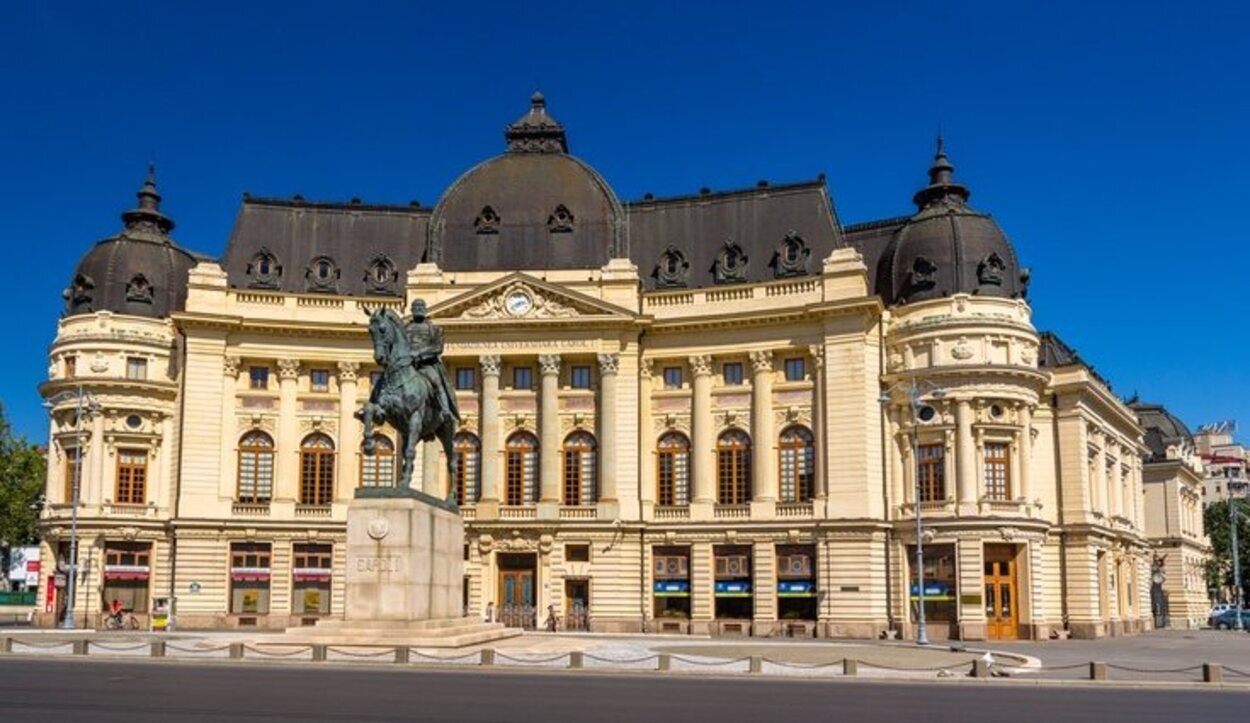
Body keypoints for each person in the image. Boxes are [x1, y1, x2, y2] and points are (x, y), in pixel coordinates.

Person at [403, 299, 459, 430]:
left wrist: (420, 354)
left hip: (426, 364)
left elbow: (437, 348)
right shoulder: (405, 328)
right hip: (407, 364)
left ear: (425, 310)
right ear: (411, 310)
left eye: (421, 307)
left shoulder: (434, 329)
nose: (418, 309)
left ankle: (445, 410)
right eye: (416, 307)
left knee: (437, 383)